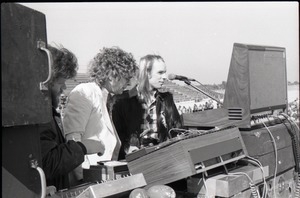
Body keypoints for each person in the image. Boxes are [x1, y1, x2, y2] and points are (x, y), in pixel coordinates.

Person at [62, 46, 137, 180]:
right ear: (111, 75)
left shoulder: (107, 98)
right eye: (126, 77)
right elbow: (72, 141)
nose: (129, 83)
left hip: (103, 178)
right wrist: (82, 180)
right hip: (88, 179)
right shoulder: (85, 92)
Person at [40, 44, 105, 190]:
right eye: (61, 83)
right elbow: (48, 163)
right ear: (47, 82)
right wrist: (83, 147)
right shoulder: (40, 117)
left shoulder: (47, 112)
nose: (63, 88)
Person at [112, 54, 182, 159]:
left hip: (162, 157)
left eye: (164, 72)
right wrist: (127, 148)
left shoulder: (167, 99)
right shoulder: (121, 101)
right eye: (160, 73)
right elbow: (116, 135)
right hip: (133, 160)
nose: (164, 77)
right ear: (146, 73)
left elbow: (177, 130)